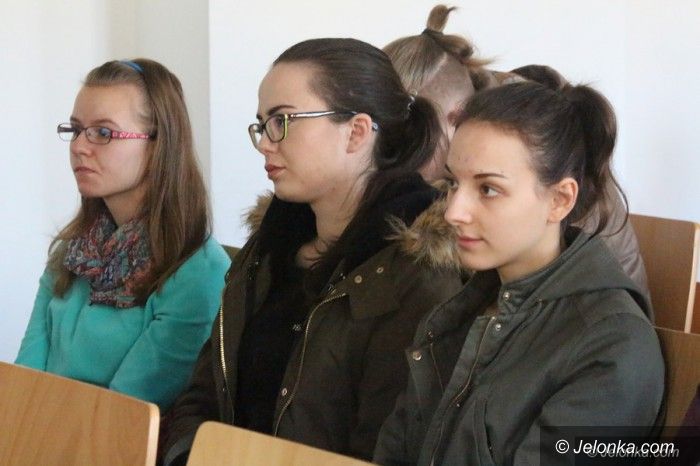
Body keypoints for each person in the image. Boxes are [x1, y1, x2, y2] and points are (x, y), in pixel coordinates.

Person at [159, 38, 464, 465]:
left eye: (282, 120)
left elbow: (386, 449)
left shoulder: (418, 277)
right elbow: (205, 393)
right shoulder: (269, 246)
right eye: (262, 124)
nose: (265, 142)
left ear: (356, 132)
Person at [374, 80, 664, 466]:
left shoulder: (612, 345)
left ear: (559, 200)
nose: (453, 212)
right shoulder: (460, 308)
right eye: (453, 183)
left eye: (488, 189)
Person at [383, 4, 650, 304]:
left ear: (454, 118)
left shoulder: (542, 149)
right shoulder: (481, 128)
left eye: (415, 134)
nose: (400, 157)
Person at [15, 59, 231, 410]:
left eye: (103, 133)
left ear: (158, 144)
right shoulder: (71, 251)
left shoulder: (198, 274)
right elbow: (24, 383)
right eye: (76, 129)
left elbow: (122, 415)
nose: (79, 147)